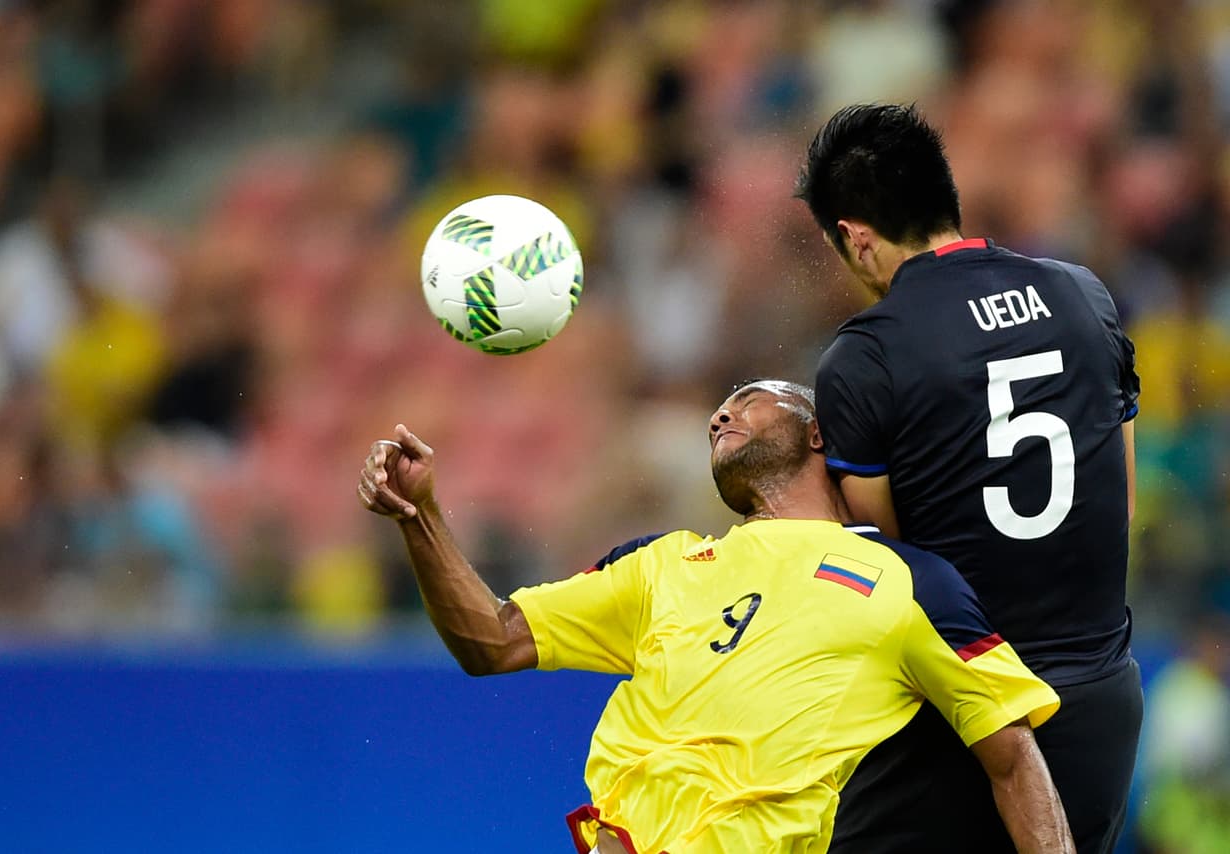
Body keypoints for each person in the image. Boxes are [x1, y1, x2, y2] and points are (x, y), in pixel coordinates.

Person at [357, 379, 1075, 854]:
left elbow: (1012, 756)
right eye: (717, 409)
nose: (719, 414)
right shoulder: (659, 561)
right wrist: (420, 515)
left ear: (817, 433)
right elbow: (492, 640)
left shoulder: (912, 583)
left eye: (748, 398)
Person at [796, 103, 1142, 854]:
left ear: (854, 237)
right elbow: (1120, 503)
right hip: (1099, 704)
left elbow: (882, 569)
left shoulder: (864, 358)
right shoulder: (1083, 295)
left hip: (963, 722)